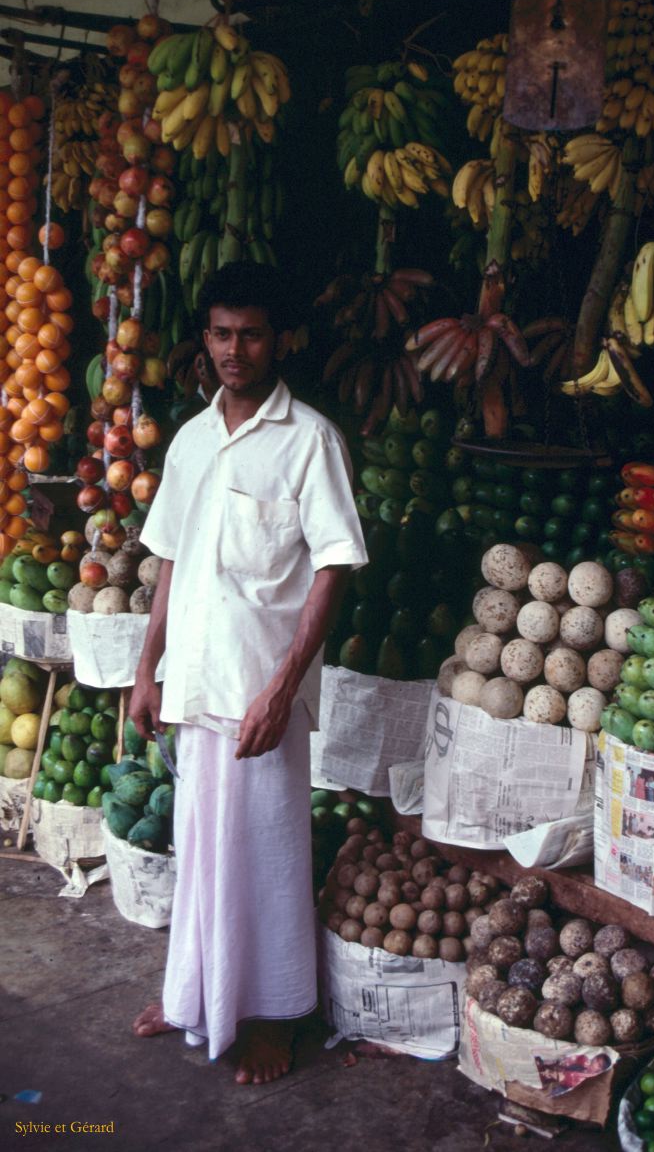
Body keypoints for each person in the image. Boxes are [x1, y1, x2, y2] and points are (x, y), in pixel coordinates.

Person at [128, 262, 368, 1085]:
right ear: (206, 339)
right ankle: (193, 994)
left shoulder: (310, 441)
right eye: (222, 334)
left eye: (252, 334)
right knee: (198, 850)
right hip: (194, 684)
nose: (236, 350)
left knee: (265, 857)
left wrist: (282, 687)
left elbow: (334, 568)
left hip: (259, 694)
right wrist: (145, 669)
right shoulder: (192, 440)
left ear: (279, 340)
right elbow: (169, 563)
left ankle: (275, 1017)